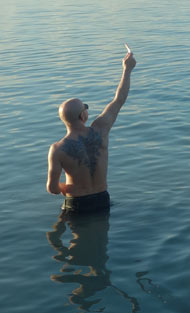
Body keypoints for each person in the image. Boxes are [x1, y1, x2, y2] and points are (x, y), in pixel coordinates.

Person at [46, 51, 135, 214]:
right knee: (101, 238)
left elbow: (52, 188)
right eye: (85, 107)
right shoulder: (101, 129)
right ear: (83, 116)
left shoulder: (57, 149)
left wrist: (66, 188)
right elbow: (119, 99)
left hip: (76, 203)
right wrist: (127, 70)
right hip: (102, 199)